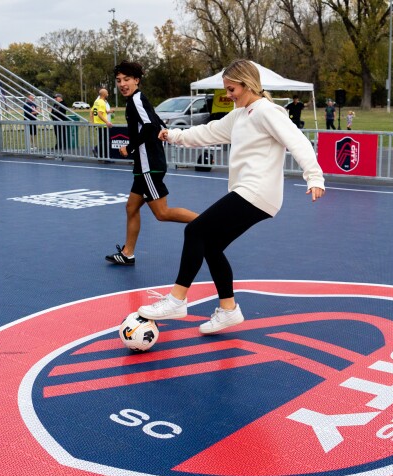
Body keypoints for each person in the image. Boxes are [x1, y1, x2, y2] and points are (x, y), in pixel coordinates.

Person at [137, 59, 325, 334]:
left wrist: (314, 176)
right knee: (211, 246)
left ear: (247, 85)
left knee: (195, 231)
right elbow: (206, 133)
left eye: (231, 88)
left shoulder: (266, 112)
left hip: (257, 191)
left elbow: (296, 140)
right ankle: (228, 310)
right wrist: (172, 135)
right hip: (250, 193)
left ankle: (177, 299)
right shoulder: (240, 115)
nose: (227, 94)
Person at [105, 61, 198, 266]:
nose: (122, 84)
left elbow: (148, 127)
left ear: (136, 80)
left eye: (127, 79)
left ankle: (208, 223)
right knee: (131, 208)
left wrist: (129, 148)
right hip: (143, 166)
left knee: (162, 213)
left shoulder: (136, 99)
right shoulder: (136, 100)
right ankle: (128, 253)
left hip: (148, 166)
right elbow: (155, 121)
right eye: (119, 80)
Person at [91, 87, 113, 158]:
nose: (108, 94)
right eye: (107, 93)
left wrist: (93, 122)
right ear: (104, 94)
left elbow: (92, 112)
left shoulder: (96, 102)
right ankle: (103, 155)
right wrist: (107, 122)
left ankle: (100, 155)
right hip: (102, 125)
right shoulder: (102, 102)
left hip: (98, 124)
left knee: (102, 140)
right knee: (105, 141)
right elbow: (99, 114)